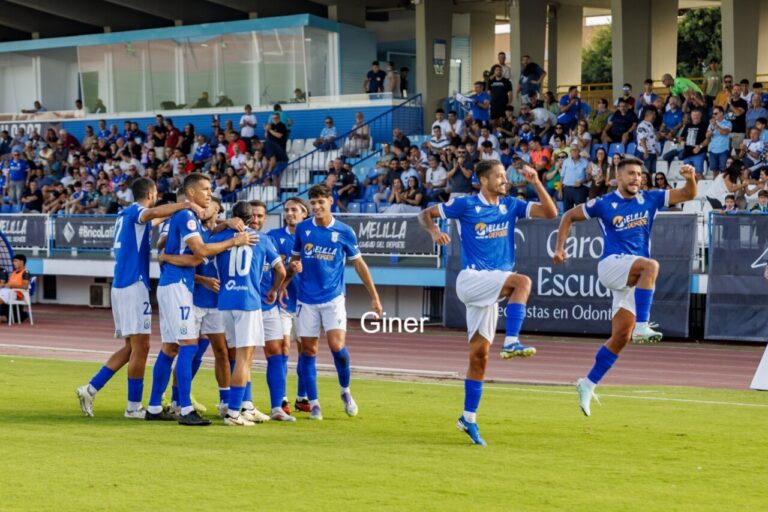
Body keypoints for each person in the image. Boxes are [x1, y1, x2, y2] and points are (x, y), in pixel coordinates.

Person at [417, 159, 557, 446]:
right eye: (499, 176)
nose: (505, 180)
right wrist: (434, 231)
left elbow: (551, 212)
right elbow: (425, 214)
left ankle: (468, 419)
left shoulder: (512, 205)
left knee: (479, 357)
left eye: (505, 175)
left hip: (491, 287)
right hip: (472, 279)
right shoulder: (466, 205)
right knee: (523, 282)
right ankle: (512, 341)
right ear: (483, 180)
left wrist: (536, 182)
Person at [553, 159, 697, 417]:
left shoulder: (650, 199)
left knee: (620, 337)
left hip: (632, 274)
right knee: (651, 267)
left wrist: (690, 178)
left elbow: (688, 194)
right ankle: (643, 325)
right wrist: (560, 247)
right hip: (611, 265)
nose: (636, 178)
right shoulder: (603, 203)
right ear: (618, 177)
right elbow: (568, 216)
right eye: (631, 173)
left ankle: (588, 383)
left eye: (640, 174)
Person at [75, 178, 205, 419]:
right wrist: (185, 205)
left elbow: (156, 217)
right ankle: (133, 407)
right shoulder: (137, 211)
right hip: (134, 284)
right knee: (142, 347)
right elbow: (153, 213)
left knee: (131, 347)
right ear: (152, 193)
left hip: (122, 284)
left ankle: (91, 388)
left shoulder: (125, 215)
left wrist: (173, 214)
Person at [145, 174, 257, 426]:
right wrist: (234, 240)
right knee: (188, 346)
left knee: (170, 347)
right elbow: (202, 251)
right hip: (177, 287)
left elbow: (195, 254)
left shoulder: (190, 218)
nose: (209, 193)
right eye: (206, 189)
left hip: (175, 284)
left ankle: (153, 406)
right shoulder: (186, 216)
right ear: (192, 193)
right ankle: (185, 409)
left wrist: (166, 257)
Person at [283, 184, 383, 421]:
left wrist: (375, 297)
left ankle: (345, 391)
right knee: (309, 350)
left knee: (337, 347)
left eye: (321, 202)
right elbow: (294, 262)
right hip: (306, 300)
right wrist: (285, 281)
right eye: (313, 203)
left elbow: (359, 264)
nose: (317, 207)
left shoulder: (344, 231)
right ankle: (315, 403)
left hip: (333, 298)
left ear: (330, 201)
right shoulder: (303, 229)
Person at [243, 200, 294, 422]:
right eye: (252, 215)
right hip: (245, 306)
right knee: (243, 356)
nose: (256, 219)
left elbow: (280, 270)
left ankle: (277, 407)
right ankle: (244, 404)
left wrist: (275, 290)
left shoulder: (268, 241)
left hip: (268, 305)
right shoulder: (234, 239)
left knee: (277, 352)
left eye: (260, 216)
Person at [267, 197, 311, 412]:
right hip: (283, 302)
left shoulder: (313, 238)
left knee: (306, 351)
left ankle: (302, 396)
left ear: (305, 213)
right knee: (283, 349)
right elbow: (270, 269)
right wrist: (288, 266)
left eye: (295, 210)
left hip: (308, 302)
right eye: (287, 210)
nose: (290, 213)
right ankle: (282, 398)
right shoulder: (274, 237)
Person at [707, 105, 732, 177]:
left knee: (724, 170)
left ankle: (724, 186)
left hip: (723, 150)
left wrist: (716, 125)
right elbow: (707, 136)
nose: (714, 115)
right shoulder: (711, 123)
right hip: (713, 150)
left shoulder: (727, 123)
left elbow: (724, 133)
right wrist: (710, 131)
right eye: (713, 113)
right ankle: (715, 186)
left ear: (721, 113)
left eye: (715, 113)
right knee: (714, 170)